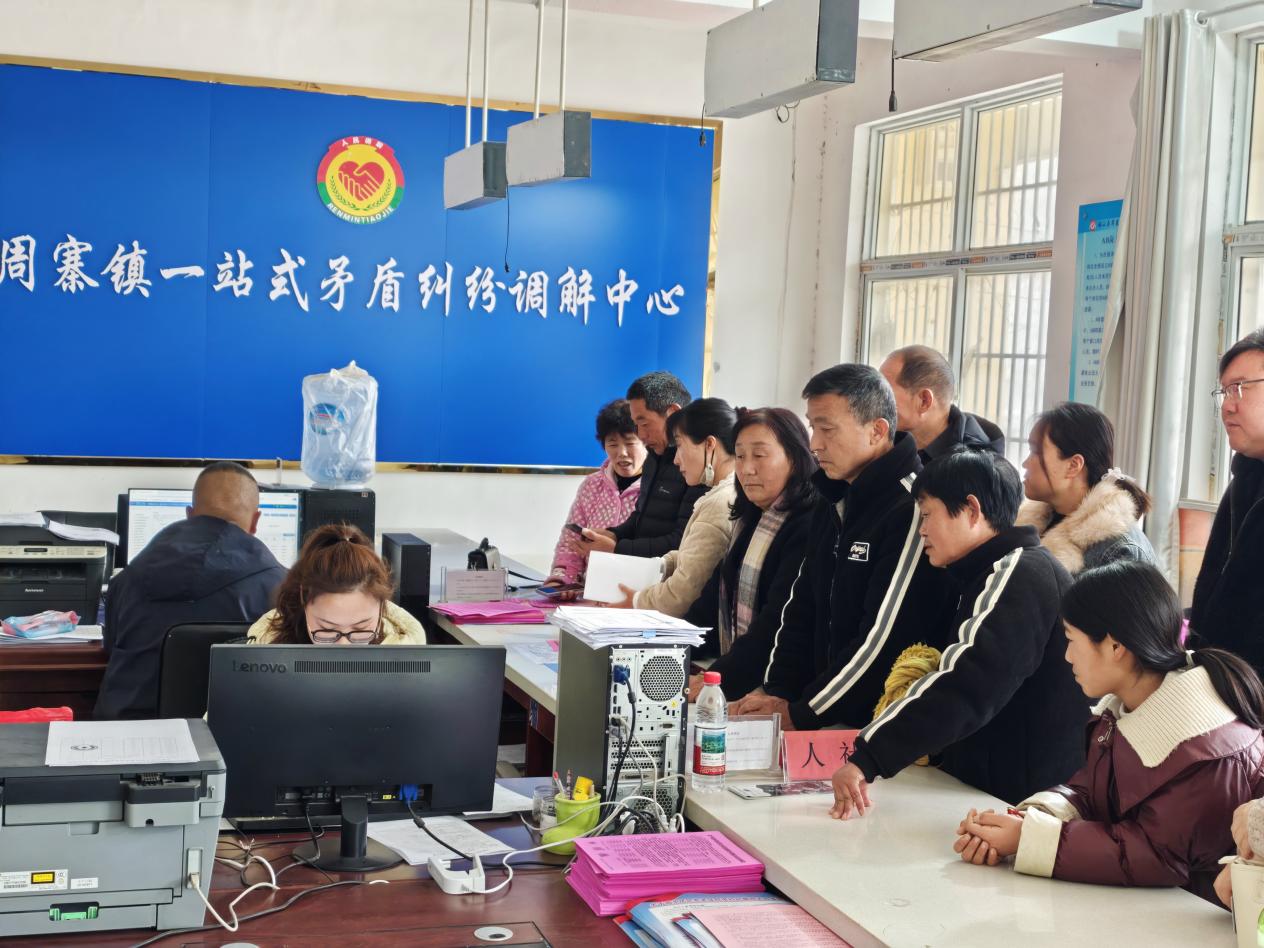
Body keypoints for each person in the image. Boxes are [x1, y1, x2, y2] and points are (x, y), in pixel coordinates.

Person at [953, 560, 1264, 906]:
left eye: (1071, 639)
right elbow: (1091, 793)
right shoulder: (1125, 709)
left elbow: (1158, 855)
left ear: (1116, 647)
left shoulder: (1205, 742)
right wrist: (1027, 820)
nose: (1067, 656)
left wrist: (1028, 839)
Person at [828, 449, 1088, 818]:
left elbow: (966, 683)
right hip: (993, 790)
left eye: (927, 514)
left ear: (971, 510)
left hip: (1020, 804)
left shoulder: (1018, 574)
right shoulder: (992, 571)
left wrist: (869, 757)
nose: (921, 530)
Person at [733, 364, 956, 731]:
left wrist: (804, 712)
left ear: (877, 431)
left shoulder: (913, 506)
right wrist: (779, 694)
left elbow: (882, 640)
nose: (814, 444)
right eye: (812, 427)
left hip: (881, 728)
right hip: (825, 716)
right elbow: (801, 607)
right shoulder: (834, 496)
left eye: (827, 429)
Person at [96, 461, 286, 719]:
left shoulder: (128, 578)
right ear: (255, 521)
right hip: (226, 733)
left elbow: (111, 648)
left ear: (189, 513)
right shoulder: (280, 586)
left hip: (128, 731)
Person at [685, 408, 817, 700]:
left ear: (795, 459)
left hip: (778, 686)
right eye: (740, 456)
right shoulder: (749, 518)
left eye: (759, 455)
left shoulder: (808, 524)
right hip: (736, 670)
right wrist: (670, 649)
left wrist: (718, 681)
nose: (747, 469)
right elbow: (711, 600)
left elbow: (774, 622)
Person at [611, 398, 739, 618]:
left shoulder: (719, 502)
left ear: (710, 444)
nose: (677, 460)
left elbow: (681, 595)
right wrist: (662, 564)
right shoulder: (723, 493)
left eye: (679, 445)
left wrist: (636, 600)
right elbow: (695, 557)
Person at [1191, 329, 1264, 678]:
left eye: (1239, 388)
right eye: (1224, 391)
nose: (1227, 405)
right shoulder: (1245, 480)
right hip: (1221, 685)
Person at [578, 372, 706, 559]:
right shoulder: (653, 456)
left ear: (673, 413)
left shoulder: (698, 465)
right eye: (636, 425)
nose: (641, 435)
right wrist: (614, 534)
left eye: (644, 424)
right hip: (642, 570)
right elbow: (640, 516)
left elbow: (683, 541)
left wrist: (617, 548)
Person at [1016, 402, 1154, 574]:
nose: (1025, 463)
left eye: (1036, 451)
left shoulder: (1119, 550)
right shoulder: (1033, 525)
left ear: (1073, 465)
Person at [248, 523, 425, 645]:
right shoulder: (264, 649)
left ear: (381, 609)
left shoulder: (407, 650)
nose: (343, 646)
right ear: (303, 600)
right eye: (327, 630)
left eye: (361, 630)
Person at [543, 400, 646, 592]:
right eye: (612, 444)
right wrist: (562, 581)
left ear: (646, 441)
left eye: (630, 443)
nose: (622, 453)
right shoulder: (592, 485)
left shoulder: (657, 488)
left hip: (638, 595)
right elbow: (570, 542)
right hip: (591, 595)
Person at [878, 345, 1004, 463]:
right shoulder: (887, 439)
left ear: (924, 401)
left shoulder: (970, 467)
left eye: (884, 392)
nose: (874, 398)